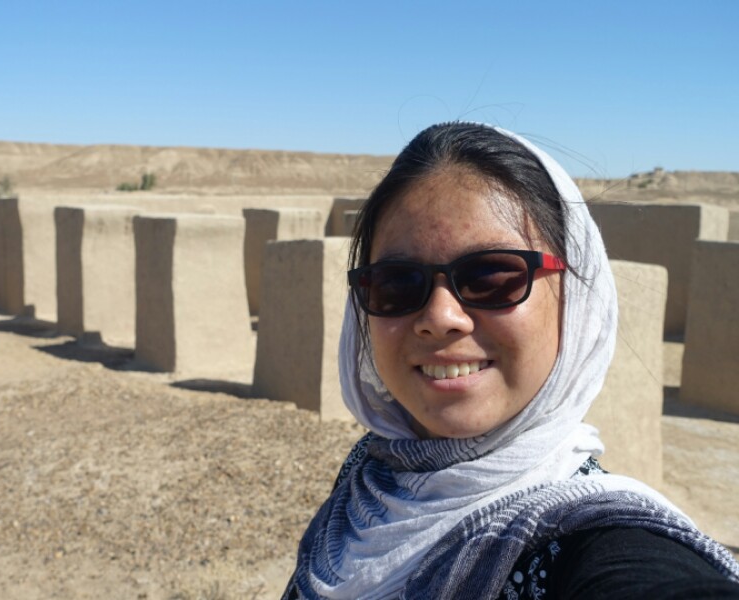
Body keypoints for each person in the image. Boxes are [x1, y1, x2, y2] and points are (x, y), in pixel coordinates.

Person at [283, 122, 739, 599]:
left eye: (492, 276)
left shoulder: (590, 539)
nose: (440, 318)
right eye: (397, 283)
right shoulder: (372, 475)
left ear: (574, 298)